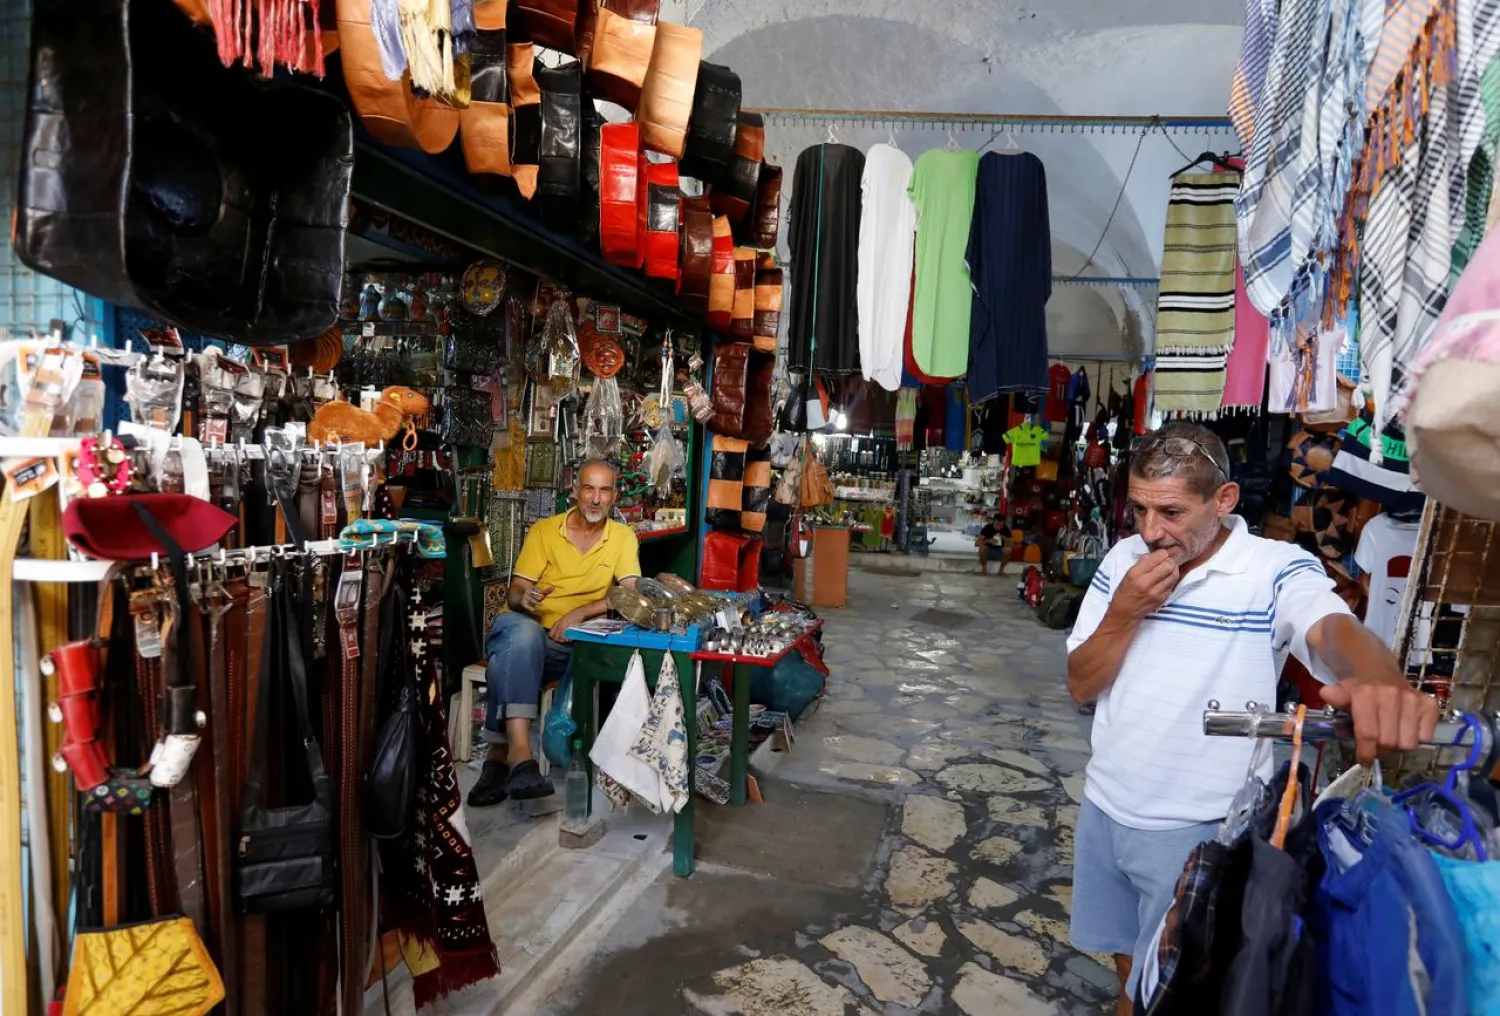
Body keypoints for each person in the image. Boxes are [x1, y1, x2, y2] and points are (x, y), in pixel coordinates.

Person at [1064, 422, 1438, 1016]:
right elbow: (1082, 682)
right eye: (1137, 509)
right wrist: (1125, 610)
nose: (1150, 531)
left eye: (1171, 512)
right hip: (1106, 805)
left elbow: (1330, 625)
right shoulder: (1123, 561)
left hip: (1198, 825)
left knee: (1180, 986)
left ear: (1225, 501)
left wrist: (1378, 679)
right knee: (1129, 967)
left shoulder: (1273, 567)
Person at [467, 460, 641, 807]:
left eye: (604, 490)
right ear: (574, 491)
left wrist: (580, 612)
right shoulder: (545, 531)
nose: (595, 499)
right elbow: (515, 593)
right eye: (588, 489)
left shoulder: (621, 537)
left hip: (571, 643)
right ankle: (520, 754)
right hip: (526, 629)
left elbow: (631, 593)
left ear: (614, 496)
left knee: (506, 662)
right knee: (523, 638)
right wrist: (525, 597)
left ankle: (498, 759)